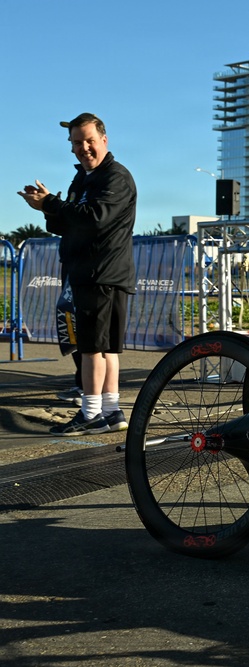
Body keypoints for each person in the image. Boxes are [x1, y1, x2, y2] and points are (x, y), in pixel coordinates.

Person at [17, 113, 137, 435]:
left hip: (101, 274)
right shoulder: (82, 179)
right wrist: (45, 206)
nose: (83, 148)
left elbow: (95, 218)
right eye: (76, 142)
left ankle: (91, 413)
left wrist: (52, 204)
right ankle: (111, 411)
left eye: (89, 141)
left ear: (104, 140)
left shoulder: (115, 177)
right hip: (91, 273)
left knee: (92, 348)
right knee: (105, 347)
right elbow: (66, 223)